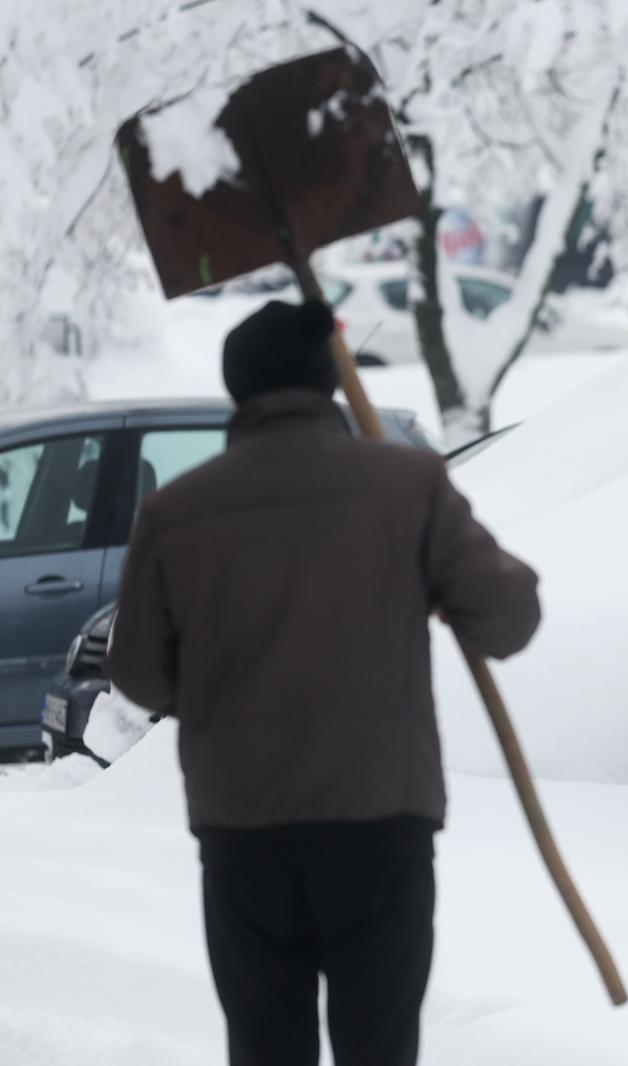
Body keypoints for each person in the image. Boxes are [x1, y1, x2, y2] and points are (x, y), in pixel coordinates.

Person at [106, 299, 540, 1066]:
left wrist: (212, 688)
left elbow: (138, 672)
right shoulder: (408, 486)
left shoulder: (175, 512)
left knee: (267, 1050)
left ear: (237, 389)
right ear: (328, 381)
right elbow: (508, 617)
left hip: (244, 833)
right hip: (380, 827)